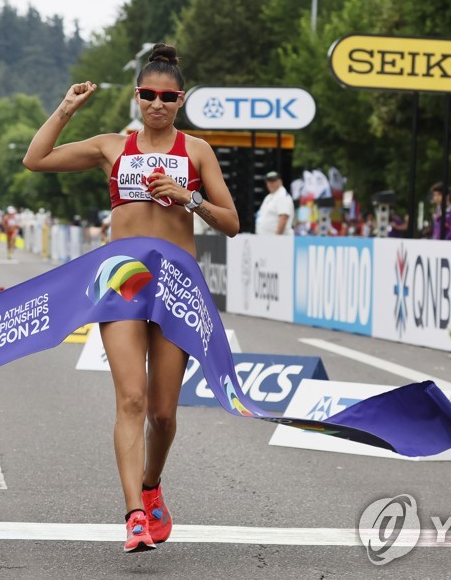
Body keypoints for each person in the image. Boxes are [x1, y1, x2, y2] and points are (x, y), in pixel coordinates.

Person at [22, 44, 239, 553]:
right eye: (148, 94)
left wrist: (192, 199)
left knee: (163, 412)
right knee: (132, 400)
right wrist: (66, 109)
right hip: (122, 284)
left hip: (177, 286)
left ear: (180, 99)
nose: (157, 103)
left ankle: (151, 484)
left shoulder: (197, 151)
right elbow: (36, 160)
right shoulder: (111, 147)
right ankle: (134, 515)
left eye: (167, 96)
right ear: (137, 98)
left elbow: (231, 223)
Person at [255, 171, 294, 235]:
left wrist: (276, 238)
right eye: (269, 181)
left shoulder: (282, 195)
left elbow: (283, 218)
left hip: (277, 240)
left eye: (273, 181)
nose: (271, 183)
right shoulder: (269, 196)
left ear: (280, 181)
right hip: (266, 239)